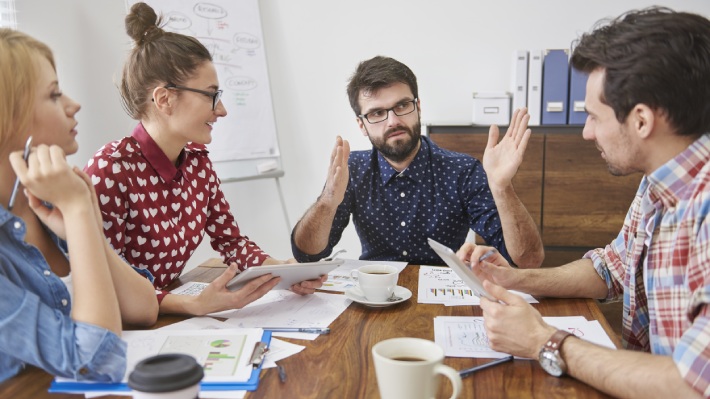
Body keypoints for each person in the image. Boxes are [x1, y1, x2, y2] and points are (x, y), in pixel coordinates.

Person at [457, 7, 710, 398]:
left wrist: (544, 341)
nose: (587, 133)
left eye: (593, 116)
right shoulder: (657, 184)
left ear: (641, 120)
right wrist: (514, 278)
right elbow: (611, 269)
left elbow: (693, 385)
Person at [86, 2, 324, 317]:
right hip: (126, 325)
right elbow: (106, 285)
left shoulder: (197, 162)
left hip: (171, 312)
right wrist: (193, 305)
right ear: (164, 98)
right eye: (211, 95)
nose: (221, 110)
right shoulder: (110, 169)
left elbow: (231, 242)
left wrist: (284, 272)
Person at [0, 28, 158, 383]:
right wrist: (75, 210)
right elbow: (97, 363)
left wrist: (83, 221)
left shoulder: (46, 202)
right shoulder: (61, 203)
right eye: (55, 95)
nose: (74, 104)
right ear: (6, 119)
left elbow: (143, 310)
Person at [291, 56, 544, 268]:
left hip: (443, 302)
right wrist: (327, 201)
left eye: (402, 106)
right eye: (377, 113)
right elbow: (307, 254)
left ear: (418, 107)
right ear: (362, 125)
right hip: (374, 298)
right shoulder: (352, 170)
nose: (392, 121)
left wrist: (502, 187)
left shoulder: (462, 171)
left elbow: (527, 261)